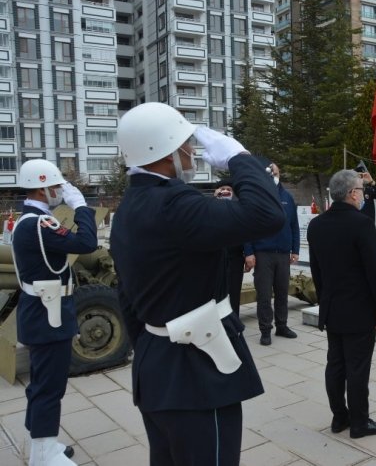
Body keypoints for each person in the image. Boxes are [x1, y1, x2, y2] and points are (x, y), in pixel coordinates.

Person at [110, 102, 285, 466]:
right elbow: (267, 215)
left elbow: (126, 294)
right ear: (166, 151)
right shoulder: (175, 203)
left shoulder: (130, 206)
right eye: (185, 143)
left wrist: (154, 345)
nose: (191, 150)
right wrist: (239, 158)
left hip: (157, 367)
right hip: (197, 373)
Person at [12, 159, 97, 466]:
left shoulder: (33, 221)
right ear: (43, 187)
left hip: (44, 312)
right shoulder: (39, 223)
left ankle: (42, 447)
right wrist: (81, 207)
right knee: (49, 386)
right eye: (57, 186)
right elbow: (86, 242)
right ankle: (45, 453)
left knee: (43, 384)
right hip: (47, 315)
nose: (62, 191)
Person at [307, 169, 376, 439]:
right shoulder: (361, 223)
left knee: (336, 364)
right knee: (356, 367)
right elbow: (374, 269)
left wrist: (325, 301)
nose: (363, 194)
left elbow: (317, 271)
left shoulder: (317, 224)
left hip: (333, 307)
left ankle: (339, 417)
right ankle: (359, 422)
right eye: (361, 190)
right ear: (353, 193)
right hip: (358, 308)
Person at [244, 163, 300, 346]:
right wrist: (249, 252)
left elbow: (294, 226)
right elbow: (248, 227)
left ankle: (282, 326)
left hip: (283, 254)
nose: (272, 175)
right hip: (263, 254)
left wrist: (295, 250)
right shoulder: (256, 197)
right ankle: (265, 330)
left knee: (283, 292)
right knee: (264, 294)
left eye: (274, 172)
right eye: (269, 172)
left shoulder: (287, 198)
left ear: (279, 174)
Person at [213, 179, 246, 314]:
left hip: (235, 257)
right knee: (216, 292)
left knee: (234, 291)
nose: (226, 191)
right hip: (216, 257)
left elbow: (246, 231)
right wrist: (215, 199)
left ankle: (235, 322)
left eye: (229, 189)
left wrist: (248, 253)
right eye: (222, 189)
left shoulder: (239, 207)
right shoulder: (211, 206)